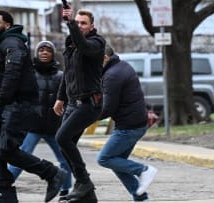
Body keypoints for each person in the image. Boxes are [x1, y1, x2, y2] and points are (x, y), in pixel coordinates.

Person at [0, 10, 67, 203]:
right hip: (8, 105)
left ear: (8, 25)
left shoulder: (14, 43)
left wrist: (2, 102)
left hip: (21, 104)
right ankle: (6, 192)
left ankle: (52, 173)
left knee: (6, 149)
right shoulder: (1, 44)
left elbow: (13, 75)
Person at [7, 40, 72, 198]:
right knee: (20, 157)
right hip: (32, 126)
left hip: (54, 127)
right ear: (36, 53)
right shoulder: (29, 75)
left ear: (52, 54)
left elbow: (67, 99)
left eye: (48, 50)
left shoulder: (61, 76)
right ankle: (5, 184)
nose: (44, 52)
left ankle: (65, 190)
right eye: (41, 50)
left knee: (65, 159)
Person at [54, 8, 106, 202]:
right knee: (65, 146)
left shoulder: (96, 42)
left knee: (62, 138)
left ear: (92, 26)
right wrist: (60, 98)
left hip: (89, 104)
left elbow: (84, 46)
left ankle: (84, 181)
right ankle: (88, 195)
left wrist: (70, 23)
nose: (80, 25)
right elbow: (68, 75)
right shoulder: (71, 44)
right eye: (78, 22)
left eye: (84, 23)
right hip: (72, 104)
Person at [96, 45, 158, 202]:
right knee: (117, 163)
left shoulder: (112, 75)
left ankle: (143, 170)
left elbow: (108, 108)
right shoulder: (122, 65)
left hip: (129, 127)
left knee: (104, 159)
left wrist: (86, 117)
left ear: (104, 58)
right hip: (136, 122)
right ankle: (141, 198)